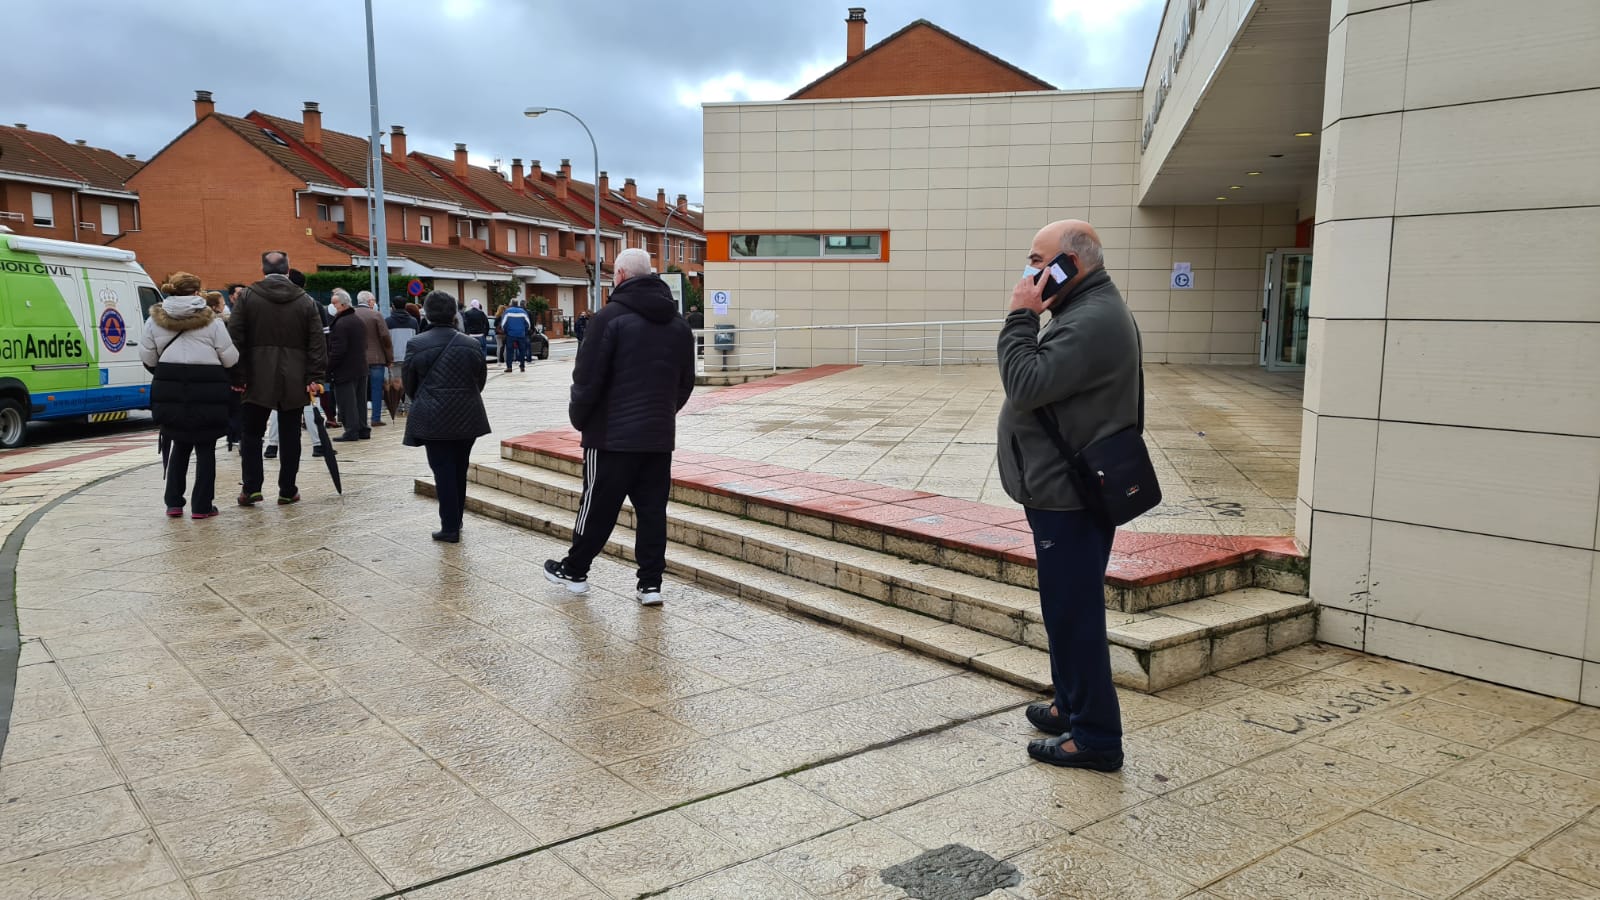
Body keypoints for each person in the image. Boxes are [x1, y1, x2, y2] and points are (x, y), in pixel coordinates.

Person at [996, 220, 1140, 773]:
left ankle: (1096, 736)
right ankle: (1071, 704)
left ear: (1069, 266)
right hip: (1064, 486)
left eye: (1038, 261)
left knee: (1073, 614)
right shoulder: (1086, 309)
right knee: (1063, 610)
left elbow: (1026, 384)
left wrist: (1019, 316)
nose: (1029, 273)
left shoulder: (1091, 319)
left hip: (1070, 494)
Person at [543, 248, 694, 606]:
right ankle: (650, 585)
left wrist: (581, 419)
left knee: (597, 505)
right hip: (657, 437)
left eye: (614, 276)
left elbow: (587, 378)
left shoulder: (608, 318)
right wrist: (665, 413)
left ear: (622, 276)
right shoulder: (678, 325)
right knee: (653, 511)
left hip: (611, 436)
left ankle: (576, 571)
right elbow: (686, 382)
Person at [227, 250, 327, 506]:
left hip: (256, 376)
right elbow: (317, 342)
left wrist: (238, 375)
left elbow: (235, 338)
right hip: (294, 377)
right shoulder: (305, 301)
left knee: (251, 434)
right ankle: (287, 489)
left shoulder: (247, 297)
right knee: (290, 434)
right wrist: (315, 376)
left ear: (262, 269)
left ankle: (251, 488)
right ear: (287, 269)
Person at [142, 272, 240, 518]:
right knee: (206, 447)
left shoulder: (154, 320)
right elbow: (230, 358)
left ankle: (173, 502)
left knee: (178, 443)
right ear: (197, 293)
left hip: (169, 386)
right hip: (207, 388)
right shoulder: (213, 321)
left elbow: (147, 357)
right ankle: (202, 505)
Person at [403, 290, 491, 543]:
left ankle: (449, 526)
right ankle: (456, 519)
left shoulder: (417, 344)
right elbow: (480, 381)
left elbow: (410, 384)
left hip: (434, 417)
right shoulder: (471, 344)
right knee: (459, 468)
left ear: (427, 313)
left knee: (442, 470)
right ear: (454, 313)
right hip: (467, 414)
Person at [326, 289, 368, 442]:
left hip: (345, 370)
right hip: (360, 367)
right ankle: (363, 429)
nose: (332, 306)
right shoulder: (357, 320)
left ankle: (351, 430)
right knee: (360, 401)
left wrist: (328, 368)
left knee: (347, 402)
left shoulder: (341, 323)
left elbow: (338, 350)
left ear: (343, 305)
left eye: (334, 303)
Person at [355, 291, 394, 430]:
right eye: (374, 300)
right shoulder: (376, 315)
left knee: (358, 390)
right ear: (370, 301)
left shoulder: (350, 314)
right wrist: (389, 358)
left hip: (357, 359)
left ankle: (359, 419)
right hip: (377, 358)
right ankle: (375, 418)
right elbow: (385, 337)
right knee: (377, 389)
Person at [500, 299, 534, 373]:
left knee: (510, 351)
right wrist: (524, 330)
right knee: (522, 350)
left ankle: (509, 367)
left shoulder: (507, 311)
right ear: (517, 303)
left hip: (511, 334)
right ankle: (522, 366)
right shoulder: (523, 312)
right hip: (521, 334)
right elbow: (528, 324)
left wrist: (506, 330)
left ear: (511, 304)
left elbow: (503, 324)